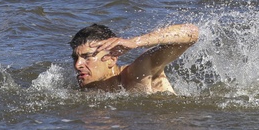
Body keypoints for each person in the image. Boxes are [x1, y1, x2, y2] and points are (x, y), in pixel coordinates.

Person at [69, 22, 199, 93]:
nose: (77, 65)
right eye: (76, 58)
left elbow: (191, 32)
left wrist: (135, 42)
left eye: (87, 57)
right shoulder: (91, 89)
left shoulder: (137, 73)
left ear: (112, 59)